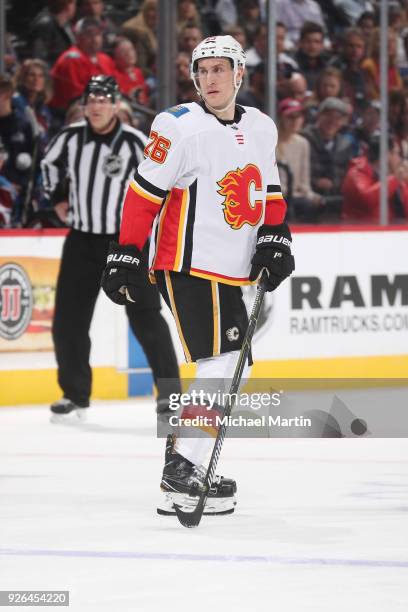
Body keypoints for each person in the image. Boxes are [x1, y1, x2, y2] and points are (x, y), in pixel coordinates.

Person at [101, 36, 295, 515]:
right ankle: (183, 466)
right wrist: (126, 250)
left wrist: (277, 235)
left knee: (229, 365)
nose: (210, 79)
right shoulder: (178, 125)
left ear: (239, 74)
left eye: (219, 69)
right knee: (222, 358)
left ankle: (189, 467)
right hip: (187, 263)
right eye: (202, 70)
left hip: (234, 268)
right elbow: (144, 193)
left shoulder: (262, 127)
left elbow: (269, 192)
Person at [41, 75, 181, 420]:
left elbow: (160, 181)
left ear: (116, 103)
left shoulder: (135, 142)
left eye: (103, 100)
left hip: (126, 244)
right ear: (84, 105)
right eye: (91, 100)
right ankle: (74, 394)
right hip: (82, 240)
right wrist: (58, 199)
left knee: (146, 315)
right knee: (68, 322)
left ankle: (170, 395)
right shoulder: (70, 138)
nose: (97, 106)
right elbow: (47, 166)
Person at [49, 17, 116, 116]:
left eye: (97, 34)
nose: (94, 39)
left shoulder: (105, 59)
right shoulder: (71, 59)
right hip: (72, 111)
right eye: (89, 34)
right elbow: (75, 96)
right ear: (78, 37)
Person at [342, 135, 408, 223]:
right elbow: (367, 199)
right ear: (387, 154)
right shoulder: (356, 173)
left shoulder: (391, 178)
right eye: (397, 154)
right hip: (362, 232)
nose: (400, 159)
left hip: (390, 230)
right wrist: (396, 178)